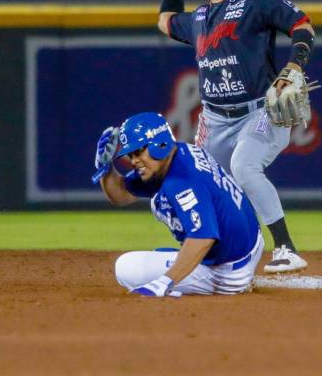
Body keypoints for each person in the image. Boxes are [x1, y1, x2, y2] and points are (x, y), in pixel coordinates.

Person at [156, 0, 316, 273]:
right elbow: (165, 20)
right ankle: (214, 256)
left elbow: (302, 25)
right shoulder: (199, 17)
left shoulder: (257, 1)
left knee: (244, 166)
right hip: (214, 120)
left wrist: (295, 65)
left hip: (259, 111)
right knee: (202, 185)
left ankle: (286, 248)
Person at [94, 112, 264, 297]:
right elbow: (121, 195)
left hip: (226, 273)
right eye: (130, 155)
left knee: (126, 267)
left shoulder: (181, 181)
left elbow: (203, 237)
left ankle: (213, 278)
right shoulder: (178, 155)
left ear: (159, 144)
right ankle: (187, 263)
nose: (134, 161)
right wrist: (106, 167)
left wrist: (165, 281)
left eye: (138, 152)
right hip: (248, 245)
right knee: (164, 245)